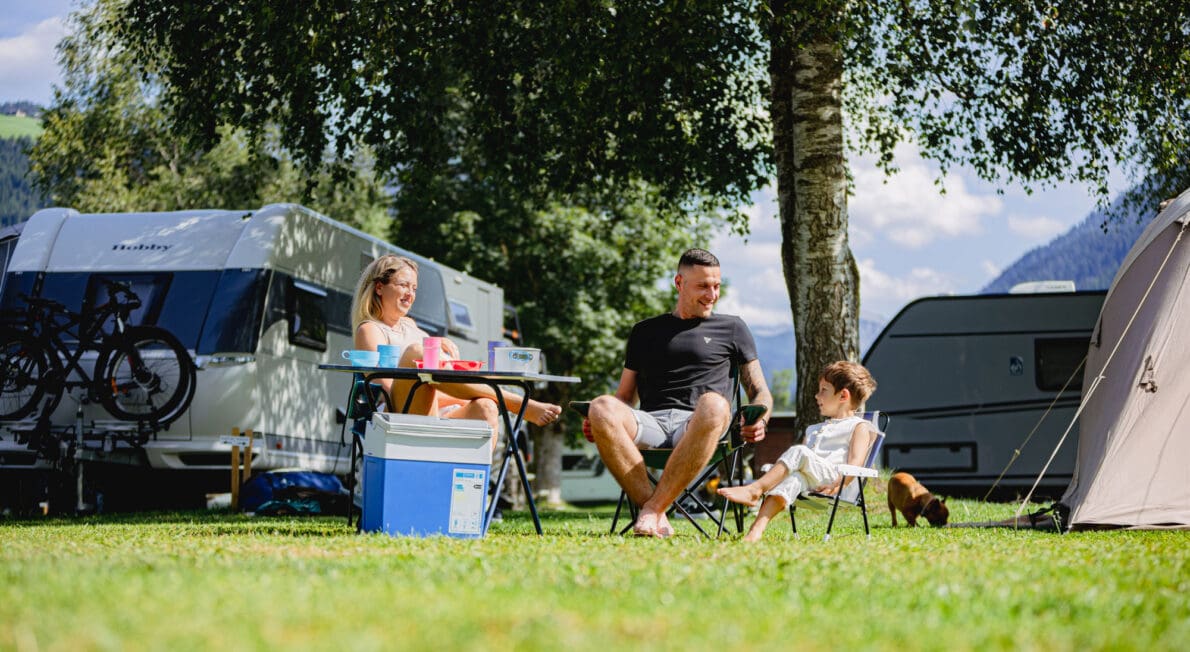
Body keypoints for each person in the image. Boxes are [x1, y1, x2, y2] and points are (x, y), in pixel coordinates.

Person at [584, 248, 773, 537]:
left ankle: (652, 510)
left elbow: (760, 391)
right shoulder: (644, 332)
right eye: (703, 286)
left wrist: (761, 418)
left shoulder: (732, 328)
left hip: (700, 426)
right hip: (652, 424)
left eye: (717, 286)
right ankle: (656, 511)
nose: (712, 294)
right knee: (600, 406)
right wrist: (601, 422)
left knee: (714, 404)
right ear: (679, 283)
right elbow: (624, 397)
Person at [351, 254, 562, 438]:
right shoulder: (370, 329)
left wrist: (439, 351)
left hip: (435, 411)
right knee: (417, 352)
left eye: (414, 288)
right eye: (403, 285)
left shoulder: (411, 326)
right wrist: (459, 393)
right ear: (379, 287)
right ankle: (515, 403)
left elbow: (439, 375)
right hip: (397, 415)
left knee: (486, 407)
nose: (410, 294)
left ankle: (478, 482)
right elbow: (388, 390)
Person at [718, 361, 877, 542]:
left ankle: (755, 489)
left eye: (823, 390)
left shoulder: (859, 426)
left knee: (799, 452)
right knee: (792, 479)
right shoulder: (813, 429)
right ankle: (754, 533)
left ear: (843, 396)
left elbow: (855, 463)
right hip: (811, 479)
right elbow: (801, 463)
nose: (817, 396)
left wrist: (837, 484)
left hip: (835, 481)